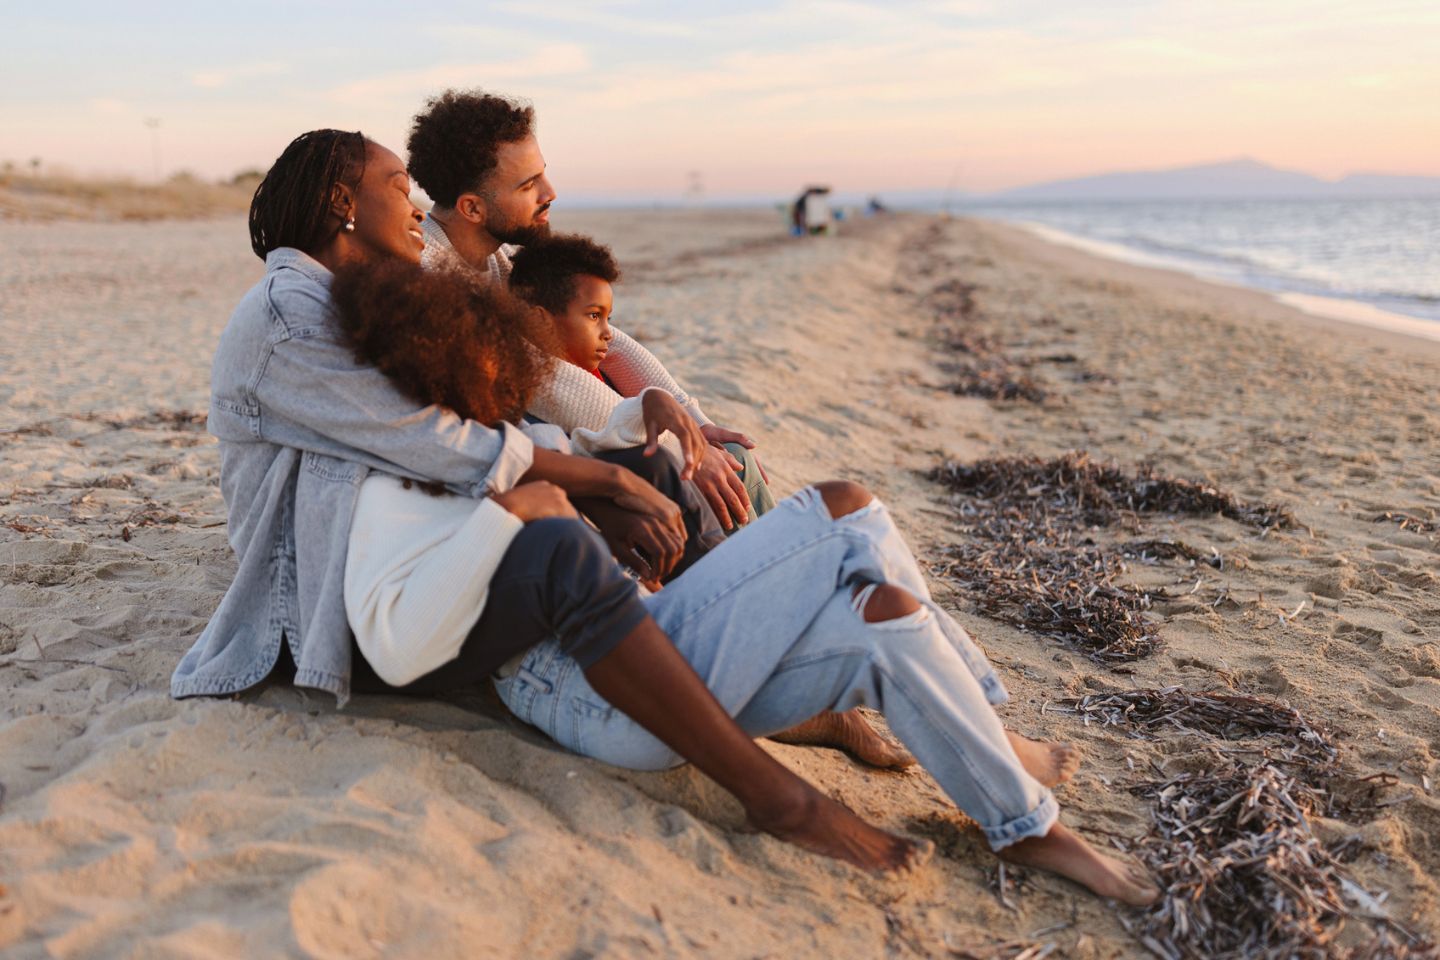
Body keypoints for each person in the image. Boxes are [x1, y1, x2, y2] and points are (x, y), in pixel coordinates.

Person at [174, 127, 932, 874]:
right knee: (576, 534)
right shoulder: (286, 317)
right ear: (344, 202)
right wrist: (598, 479)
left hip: (407, 547)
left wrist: (642, 439)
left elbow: (485, 411)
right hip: (333, 601)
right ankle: (779, 786)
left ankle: (790, 661)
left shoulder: (349, 290)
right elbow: (435, 440)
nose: (415, 205)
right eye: (399, 188)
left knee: (644, 482)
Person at [326, 252, 1159, 907]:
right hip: (584, 690)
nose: (516, 374)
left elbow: (594, 441)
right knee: (844, 508)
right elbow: (400, 646)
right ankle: (983, 728)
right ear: (438, 366)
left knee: (885, 610)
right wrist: (511, 517)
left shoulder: (504, 432)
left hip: (654, 648)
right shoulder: (400, 481)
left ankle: (1024, 827)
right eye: (494, 360)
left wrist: (624, 459)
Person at [404, 88, 770, 533]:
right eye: (528, 185)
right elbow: (545, 382)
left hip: (557, 445)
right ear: (472, 207)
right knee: (712, 472)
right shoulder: (434, 278)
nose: (550, 193)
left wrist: (696, 423)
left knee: (731, 459)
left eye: (543, 175)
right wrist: (685, 447)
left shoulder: (493, 262)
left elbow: (614, 346)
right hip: (501, 482)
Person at [507, 232, 776, 521]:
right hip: (630, 499)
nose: (608, 332)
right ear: (539, 319)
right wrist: (688, 450)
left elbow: (625, 356)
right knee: (726, 469)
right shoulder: (548, 393)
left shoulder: (599, 372)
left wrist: (696, 425)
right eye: (594, 316)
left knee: (734, 454)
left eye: (609, 317)